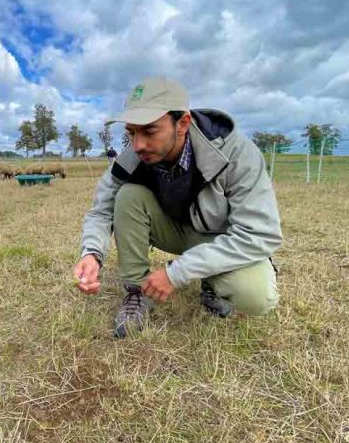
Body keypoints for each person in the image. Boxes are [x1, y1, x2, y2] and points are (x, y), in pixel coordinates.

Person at [73, 78, 282, 338]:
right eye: (131, 132)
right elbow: (101, 211)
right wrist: (91, 253)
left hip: (220, 238)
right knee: (127, 195)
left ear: (182, 123)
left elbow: (261, 234)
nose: (137, 145)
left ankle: (212, 282)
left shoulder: (238, 154)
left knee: (257, 296)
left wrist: (178, 273)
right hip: (175, 231)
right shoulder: (133, 158)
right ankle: (138, 291)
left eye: (149, 131)